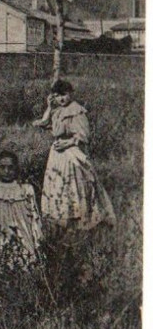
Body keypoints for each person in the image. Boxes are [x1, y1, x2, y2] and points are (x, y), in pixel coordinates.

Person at [33, 79, 115, 233]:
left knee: (74, 183)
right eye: (57, 96)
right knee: (58, 183)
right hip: (57, 154)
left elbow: (83, 136)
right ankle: (61, 218)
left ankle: (77, 219)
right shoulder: (57, 111)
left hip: (71, 152)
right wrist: (49, 107)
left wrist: (68, 143)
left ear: (70, 93)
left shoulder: (76, 110)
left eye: (64, 95)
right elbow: (43, 123)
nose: (61, 99)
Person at [0, 150, 43, 264]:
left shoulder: (25, 189)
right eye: (3, 167)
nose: (7, 171)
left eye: (10, 167)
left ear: (16, 168)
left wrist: (37, 237)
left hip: (21, 232)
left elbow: (34, 216)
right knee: (1, 259)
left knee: (24, 259)